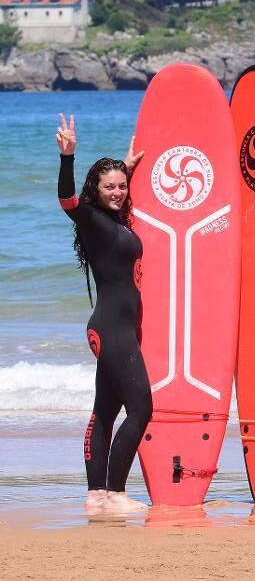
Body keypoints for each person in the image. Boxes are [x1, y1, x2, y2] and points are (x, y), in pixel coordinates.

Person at [55, 113, 152, 514]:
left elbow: (116, 200)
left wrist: (125, 168)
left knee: (106, 411)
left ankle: (95, 496)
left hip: (118, 328)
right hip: (112, 328)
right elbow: (68, 200)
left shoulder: (114, 221)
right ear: (95, 191)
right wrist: (68, 157)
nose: (118, 192)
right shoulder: (92, 219)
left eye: (122, 186)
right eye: (109, 186)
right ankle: (115, 493)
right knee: (142, 408)